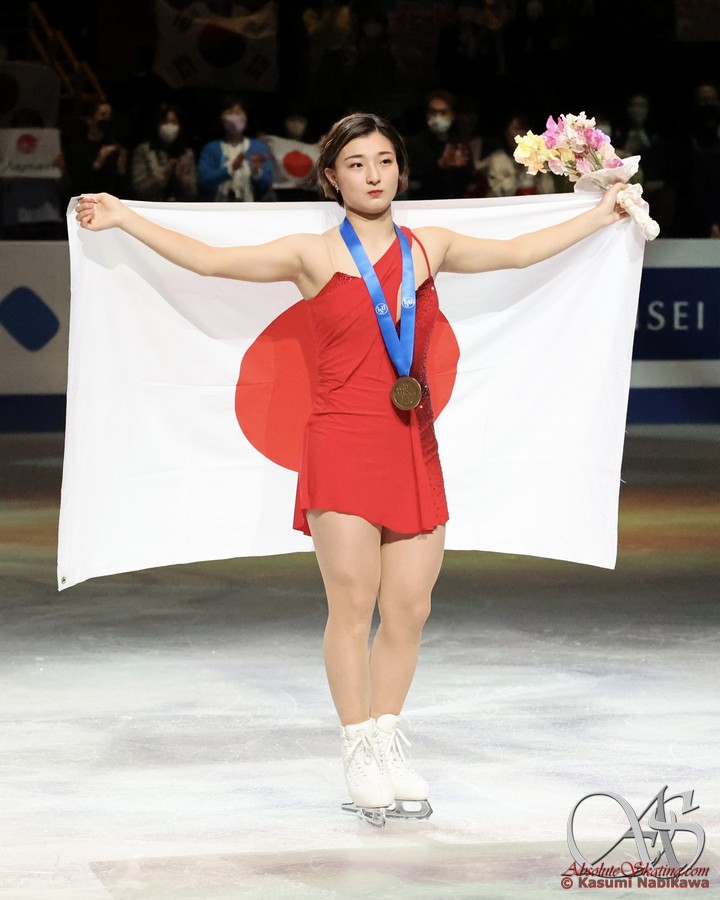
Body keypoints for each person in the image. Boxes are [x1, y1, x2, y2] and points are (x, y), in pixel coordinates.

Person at [74, 112, 629, 826]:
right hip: (340, 443)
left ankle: (388, 737)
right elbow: (209, 262)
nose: (374, 175)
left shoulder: (430, 247)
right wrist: (124, 217)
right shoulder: (311, 255)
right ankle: (358, 746)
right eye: (358, 164)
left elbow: (521, 252)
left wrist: (601, 215)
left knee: (410, 608)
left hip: (413, 444)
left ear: (401, 170)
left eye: (386, 161)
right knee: (353, 604)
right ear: (332, 178)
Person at [197, 96, 273, 202]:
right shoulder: (211, 148)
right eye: (229, 113)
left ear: (246, 118)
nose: (234, 117)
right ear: (221, 118)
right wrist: (229, 170)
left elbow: (266, 186)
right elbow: (204, 181)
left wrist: (256, 172)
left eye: (238, 113)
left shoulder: (258, 147)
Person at [406, 90, 476, 199]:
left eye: (443, 112)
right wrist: (440, 166)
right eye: (433, 112)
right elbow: (414, 184)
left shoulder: (459, 143)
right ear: (427, 114)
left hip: (456, 203)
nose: (437, 117)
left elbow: (470, 183)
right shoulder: (415, 144)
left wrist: (461, 168)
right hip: (426, 204)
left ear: (452, 115)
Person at [130, 103, 198, 202]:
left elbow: (194, 193)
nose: (170, 126)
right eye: (165, 122)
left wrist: (183, 179)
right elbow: (139, 189)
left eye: (174, 122)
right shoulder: (144, 150)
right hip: (152, 205)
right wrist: (162, 175)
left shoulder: (187, 153)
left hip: (179, 206)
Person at [63, 99, 127, 200]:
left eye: (109, 115)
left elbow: (122, 182)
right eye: (102, 114)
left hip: (111, 199)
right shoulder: (77, 146)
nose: (107, 119)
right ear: (89, 119)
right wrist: (99, 160)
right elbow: (78, 180)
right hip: (86, 199)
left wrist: (122, 162)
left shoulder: (115, 144)